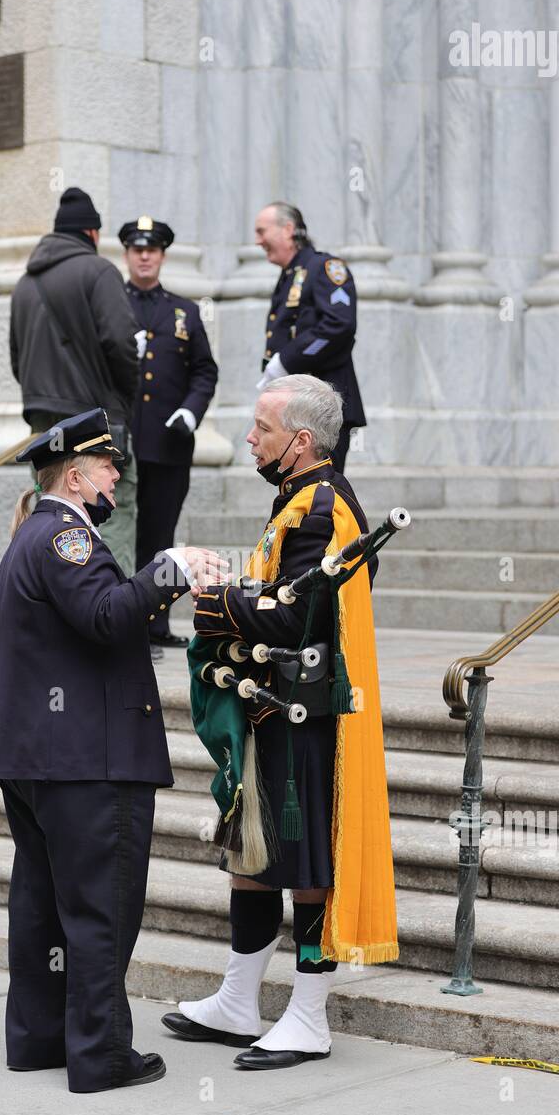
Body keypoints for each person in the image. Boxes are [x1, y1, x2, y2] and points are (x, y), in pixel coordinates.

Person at [0, 407, 228, 1094]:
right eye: (108, 464)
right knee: (98, 909)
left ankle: (40, 1039)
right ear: (76, 473)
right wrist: (168, 570)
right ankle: (101, 1054)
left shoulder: (40, 533)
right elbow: (106, 615)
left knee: (42, 903)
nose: (118, 473)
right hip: (87, 759)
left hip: (41, 758)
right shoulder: (64, 538)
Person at [161, 375, 397, 1070]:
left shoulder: (321, 507)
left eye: (260, 428)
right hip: (273, 707)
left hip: (304, 712)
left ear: (300, 441)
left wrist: (215, 602)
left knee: (304, 865)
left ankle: (309, 1017)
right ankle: (238, 1000)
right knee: (253, 855)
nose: (248, 439)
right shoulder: (301, 497)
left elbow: (294, 617)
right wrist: (243, 600)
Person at [10, 186, 140, 575]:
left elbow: (18, 360)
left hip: (43, 423)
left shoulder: (24, 284)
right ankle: (112, 613)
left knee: (51, 511)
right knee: (111, 508)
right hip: (94, 419)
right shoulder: (99, 271)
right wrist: (126, 397)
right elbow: (120, 343)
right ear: (93, 233)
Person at [120, 215, 218, 658]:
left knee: (160, 534)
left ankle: (156, 622)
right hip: (120, 445)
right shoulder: (112, 303)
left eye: (152, 250)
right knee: (123, 531)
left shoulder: (185, 310)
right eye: (138, 249)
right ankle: (123, 618)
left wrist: (190, 412)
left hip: (168, 442)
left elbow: (204, 370)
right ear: (127, 254)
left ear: (161, 255)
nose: (145, 256)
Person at [255, 201, 364, 474]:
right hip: (298, 405)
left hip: (325, 407)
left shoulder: (324, 267)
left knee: (322, 490)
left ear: (287, 229)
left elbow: (339, 324)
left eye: (262, 231)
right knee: (297, 491)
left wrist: (286, 361)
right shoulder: (290, 275)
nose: (258, 241)